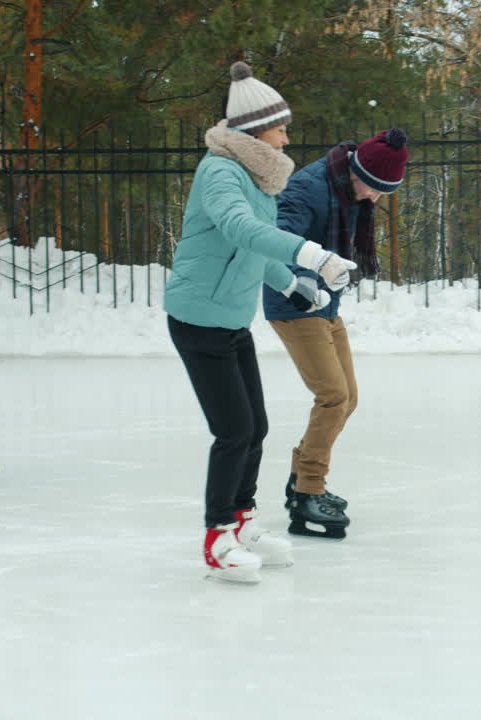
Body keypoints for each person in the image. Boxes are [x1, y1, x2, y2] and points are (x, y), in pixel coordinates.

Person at [164, 61, 356, 582]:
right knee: (233, 431)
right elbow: (238, 227)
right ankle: (218, 536)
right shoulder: (220, 171)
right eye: (280, 127)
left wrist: (291, 281)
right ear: (254, 131)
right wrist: (313, 256)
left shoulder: (256, 176)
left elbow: (254, 248)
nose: (286, 136)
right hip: (198, 318)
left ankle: (243, 522)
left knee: (256, 427)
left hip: (229, 318)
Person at [262, 128, 409, 540]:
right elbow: (279, 239)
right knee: (333, 396)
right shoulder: (307, 188)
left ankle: (299, 480)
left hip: (326, 303)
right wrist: (301, 281)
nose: (376, 199)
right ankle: (309, 491)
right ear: (357, 172)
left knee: (349, 398)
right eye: (375, 189)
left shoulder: (351, 189)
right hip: (293, 302)